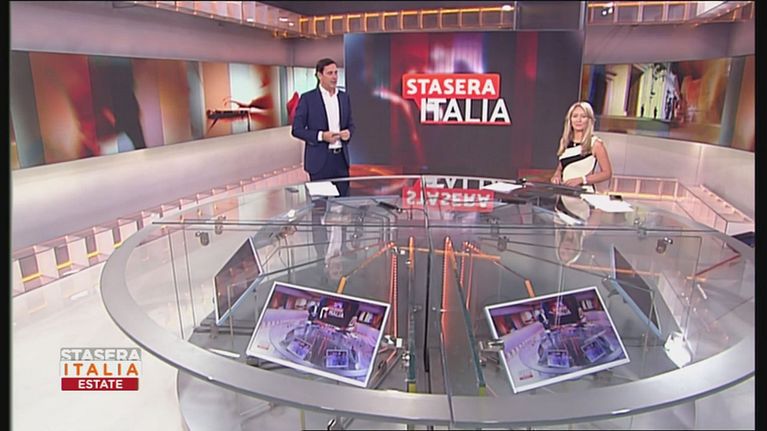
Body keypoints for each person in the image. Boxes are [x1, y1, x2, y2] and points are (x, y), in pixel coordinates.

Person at [291, 58, 355, 197]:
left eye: (336, 73)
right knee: (320, 205)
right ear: (319, 75)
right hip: (319, 163)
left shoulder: (344, 97)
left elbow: (351, 124)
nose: (334, 77)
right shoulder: (308, 99)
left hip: (341, 161)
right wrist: (321, 136)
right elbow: (296, 129)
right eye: (330, 73)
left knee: (344, 203)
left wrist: (349, 133)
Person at [550, 101, 612, 193]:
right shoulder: (565, 141)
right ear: (570, 120)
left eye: (583, 116)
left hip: (584, 194)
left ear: (589, 120)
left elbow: (607, 173)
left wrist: (582, 179)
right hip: (564, 193)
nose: (578, 120)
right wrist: (556, 175)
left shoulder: (595, 144)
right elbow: (561, 167)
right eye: (575, 116)